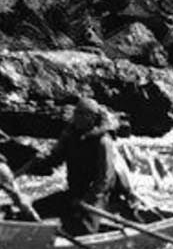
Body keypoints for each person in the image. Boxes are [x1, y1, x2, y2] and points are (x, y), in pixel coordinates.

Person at [25, 98, 151, 235]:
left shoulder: (103, 142)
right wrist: (40, 162)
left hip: (98, 195)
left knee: (84, 229)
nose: (77, 118)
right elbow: (55, 159)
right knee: (32, 210)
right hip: (75, 192)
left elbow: (105, 179)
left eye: (82, 114)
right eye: (76, 113)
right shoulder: (70, 136)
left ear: (92, 118)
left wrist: (88, 200)